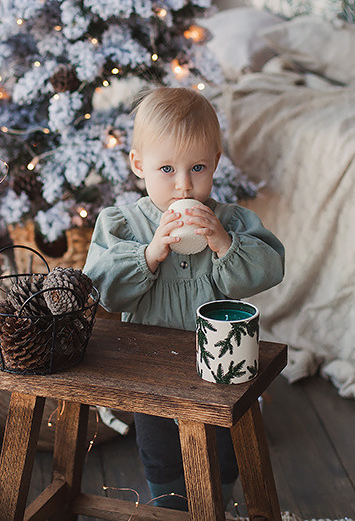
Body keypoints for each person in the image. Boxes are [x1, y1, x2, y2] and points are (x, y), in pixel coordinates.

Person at [83, 86, 285, 511]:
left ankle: (218, 502)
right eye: (166, 169)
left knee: (225, 447)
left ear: (215, 162)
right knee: (159, 451)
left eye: (197, 167)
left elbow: (271, 268)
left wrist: (225, 243)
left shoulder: (228, 220)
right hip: (150, 368)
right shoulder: (123, 224)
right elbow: (99, 289)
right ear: (139, 165)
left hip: (219, 365)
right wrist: (150, 253)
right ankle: (170, 506)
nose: (184, 186)